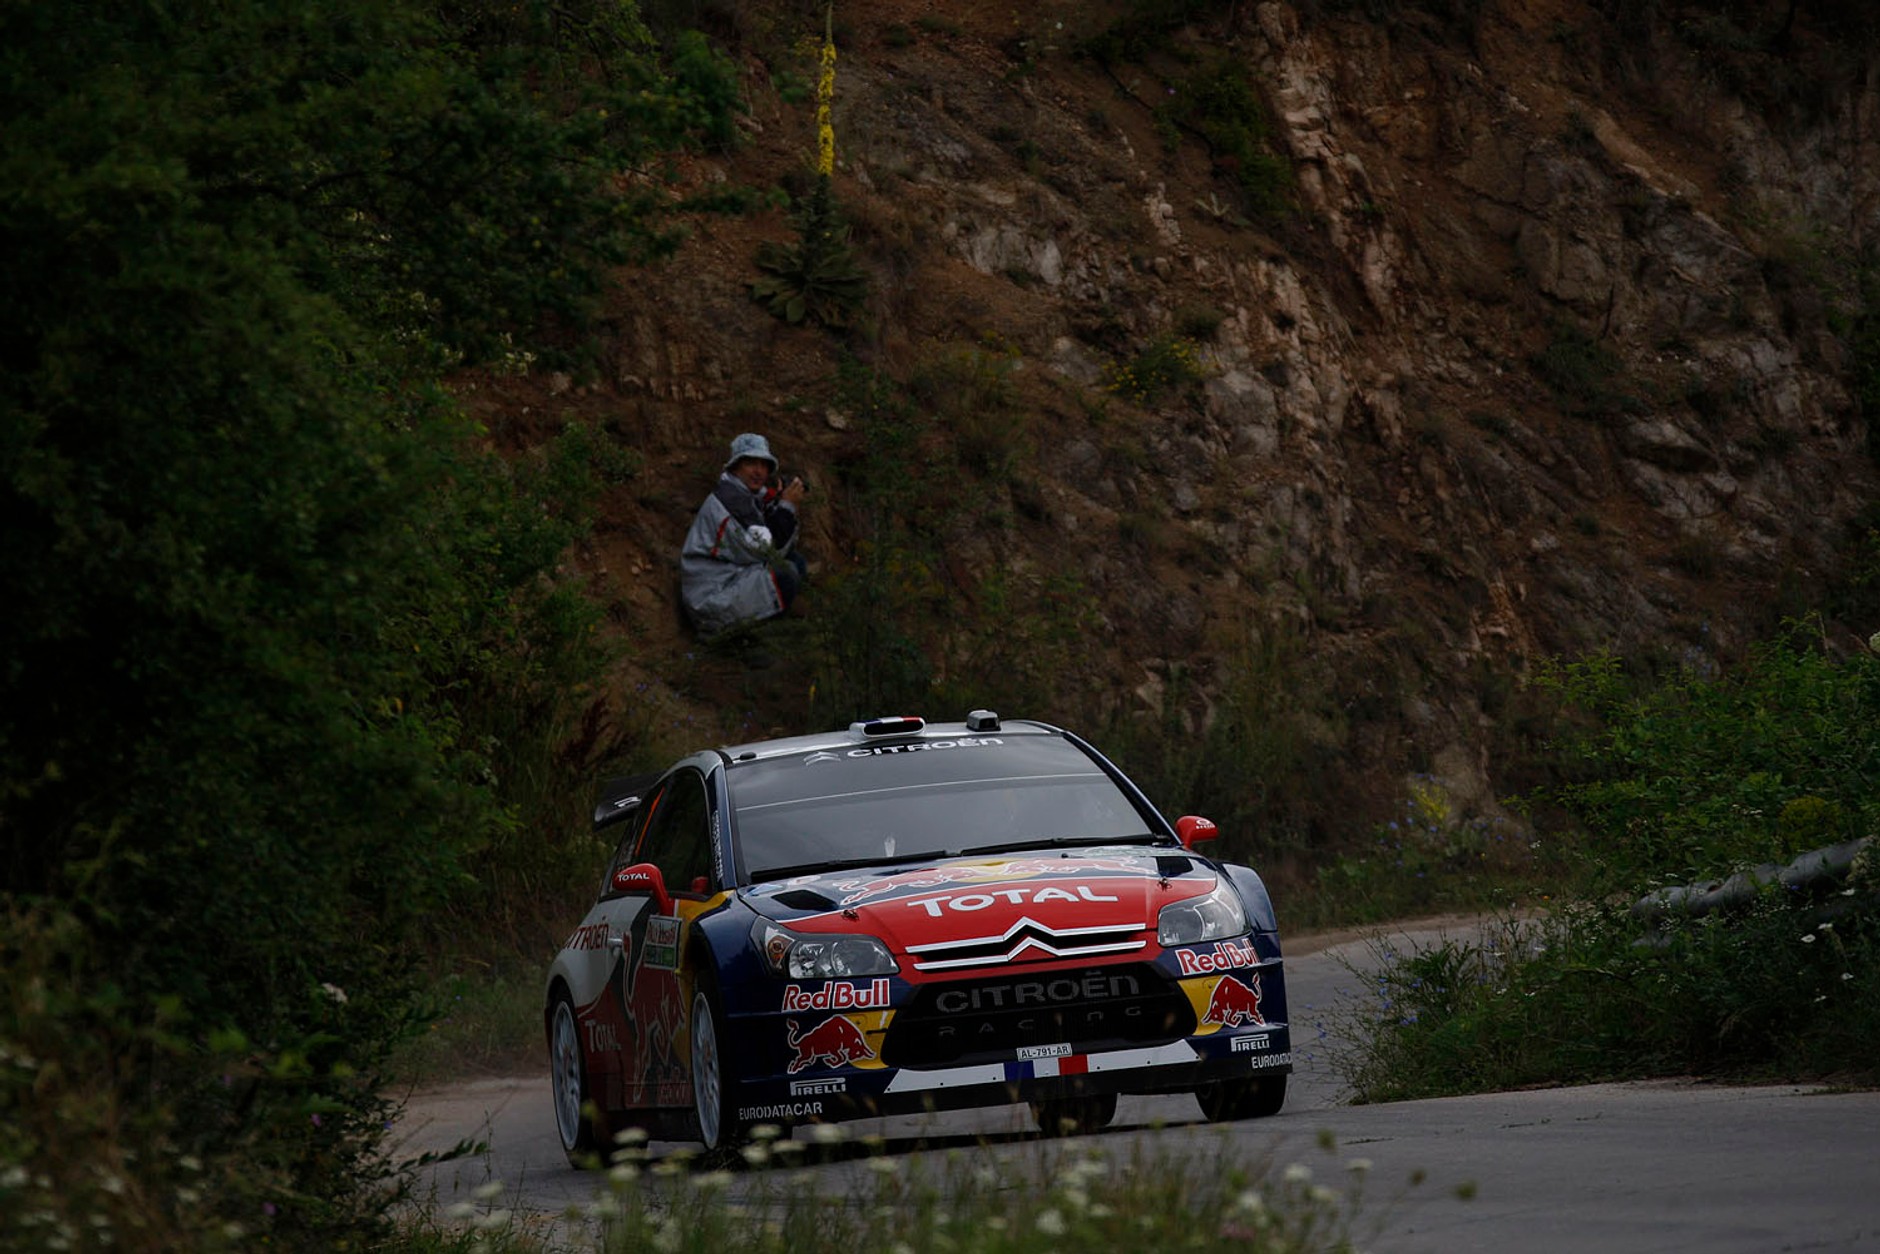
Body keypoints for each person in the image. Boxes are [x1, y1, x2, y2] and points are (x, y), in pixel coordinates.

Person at [679, 433, 808, 638]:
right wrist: (787, 507)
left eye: (763, 465)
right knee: (786, 574)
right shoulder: (732, 501)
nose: (758, 471)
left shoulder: (743, 494)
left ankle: (760, 630)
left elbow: (770, 539)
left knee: (796, 562)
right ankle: (732, 637)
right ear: (734, 467)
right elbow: (768, 550)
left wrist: (778, 504)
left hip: (728, 577)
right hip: (709, 598)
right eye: (750, 463)